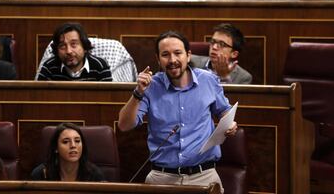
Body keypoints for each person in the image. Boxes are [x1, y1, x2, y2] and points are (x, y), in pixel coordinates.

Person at [118, 31, 238, 193]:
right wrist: (138, 93)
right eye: (165, 55)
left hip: (204, 176)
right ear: (158, 59)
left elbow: (224, 111)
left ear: (188, 56)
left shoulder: (208, 80)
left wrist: (230, 124)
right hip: (162, 177)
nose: (172, 60)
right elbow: (124, 125)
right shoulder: (151, 86)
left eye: (178, 53)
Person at [36, 22, 112, 81]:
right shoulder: (49, 67)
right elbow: (40, 97)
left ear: (84, 47)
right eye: (62, 46)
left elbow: (108, 99)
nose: (68, 51)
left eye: (74, 44)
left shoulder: (100, 66)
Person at [31, 122, 105, 181]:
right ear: (56, 148)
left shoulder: (94, 175)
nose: (73, 145)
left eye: (77, 141)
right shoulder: (41, 174)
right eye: (66, 142)